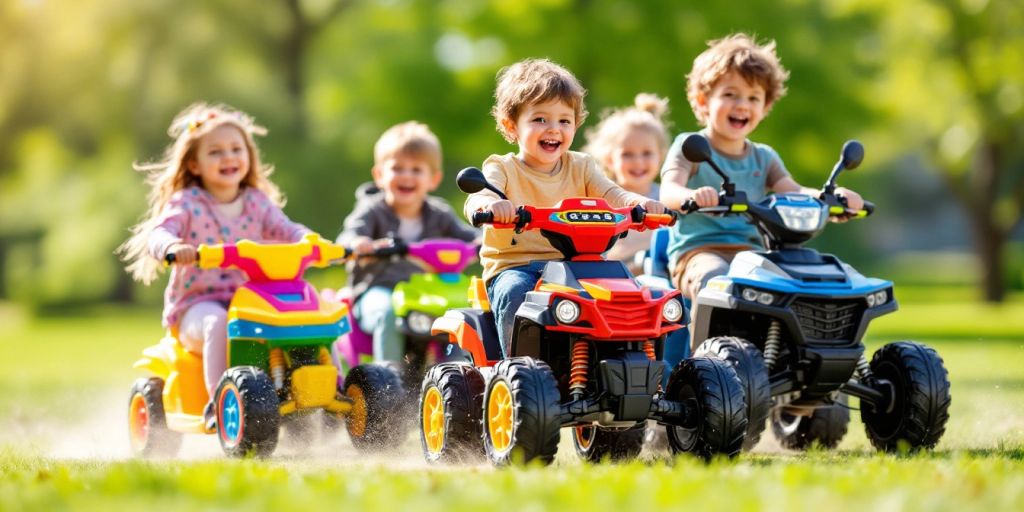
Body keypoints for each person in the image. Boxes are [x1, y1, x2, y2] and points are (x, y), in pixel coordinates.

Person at [659, 34, 863, 348]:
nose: (742, 105)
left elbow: (793, 192)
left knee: (798, 284)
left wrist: (831, 199)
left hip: (754, 254)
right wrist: (691, 197)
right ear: (703, 100)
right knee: (716, 281)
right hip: (700, 252)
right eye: (730, 94)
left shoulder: (764, 157)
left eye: (753, 98)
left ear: (765, 106)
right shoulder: (692, 146)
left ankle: (789, 360)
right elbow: (669, 189)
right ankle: (704, 363)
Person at [118, 103, 311, 427]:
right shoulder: (188, 203)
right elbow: (161, 231)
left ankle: (314, 395)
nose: (228, 157)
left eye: (236, 149)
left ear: (249, 156)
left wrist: (309, 241)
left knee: (300, 315)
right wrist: (172, 246)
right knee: (218, 323)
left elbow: (287, 228)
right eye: (216, 152)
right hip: (198, 306)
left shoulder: (256, 202)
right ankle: (218, 403)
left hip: (248, 300)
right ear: (194, 164)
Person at [465, 58, 667, 356]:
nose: (553, 129)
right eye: (540, 119)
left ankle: (632, 364)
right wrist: (491, 205)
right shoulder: (503, 168)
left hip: (577, 267)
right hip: (518, 267)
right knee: (514, 293)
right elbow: (479, 195)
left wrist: (637, 204)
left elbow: (611, 193)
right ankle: (518, 367)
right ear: (512, 126)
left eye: (564, 120)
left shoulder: (582, 166)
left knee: (627, 293)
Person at [336, 121, 479, 363]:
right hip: (378, 290)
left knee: (460, 313)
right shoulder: (372, 210)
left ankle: (457, 377)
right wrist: (359, 243)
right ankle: (389, 384)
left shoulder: (439, 213)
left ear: (433, 179)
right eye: (397, 168)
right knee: (388, 313)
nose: (406, 176)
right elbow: (349, 235)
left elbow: (470, 237)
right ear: (380, 175)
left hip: (425, 293)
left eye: (416, 170)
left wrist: (485, 242)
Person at [583, 93, 672, 274]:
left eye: (647, 153)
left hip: (660, 277)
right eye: (627, 154)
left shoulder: (667, 198)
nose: (638, 162)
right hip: (614, 275)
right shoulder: (602, 200)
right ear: (609, 159)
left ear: (660, 155)